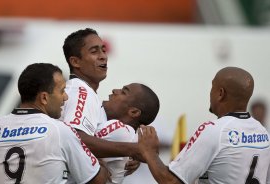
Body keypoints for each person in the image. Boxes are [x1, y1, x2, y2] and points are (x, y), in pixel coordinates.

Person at [138, 66, 270, 183]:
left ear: (220, 94)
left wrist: (149, 151)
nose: (210, 93)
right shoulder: (263, 132)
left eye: (212, 87)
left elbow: (172, 181)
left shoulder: (214, 130)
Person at [0, 63, 108, 184]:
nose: (66, 97)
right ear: (44, 98)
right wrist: (102, 161)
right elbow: (98, 180)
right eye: (62, 91)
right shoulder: (59, 130)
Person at [60, 29, 144, 170]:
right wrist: (134, 149)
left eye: (103, 50)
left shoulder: (84, 92)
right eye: (94, 52)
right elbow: (74, 139)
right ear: (75, 61)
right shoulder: (81, 91)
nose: (103, 56)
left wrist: (121, 160)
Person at [96, 83, 160, 183]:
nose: (114, 90)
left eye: (123, 92)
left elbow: (76, 140)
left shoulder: (120, 129)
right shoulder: (128, 135)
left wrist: (136, 152)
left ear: (134, 112)